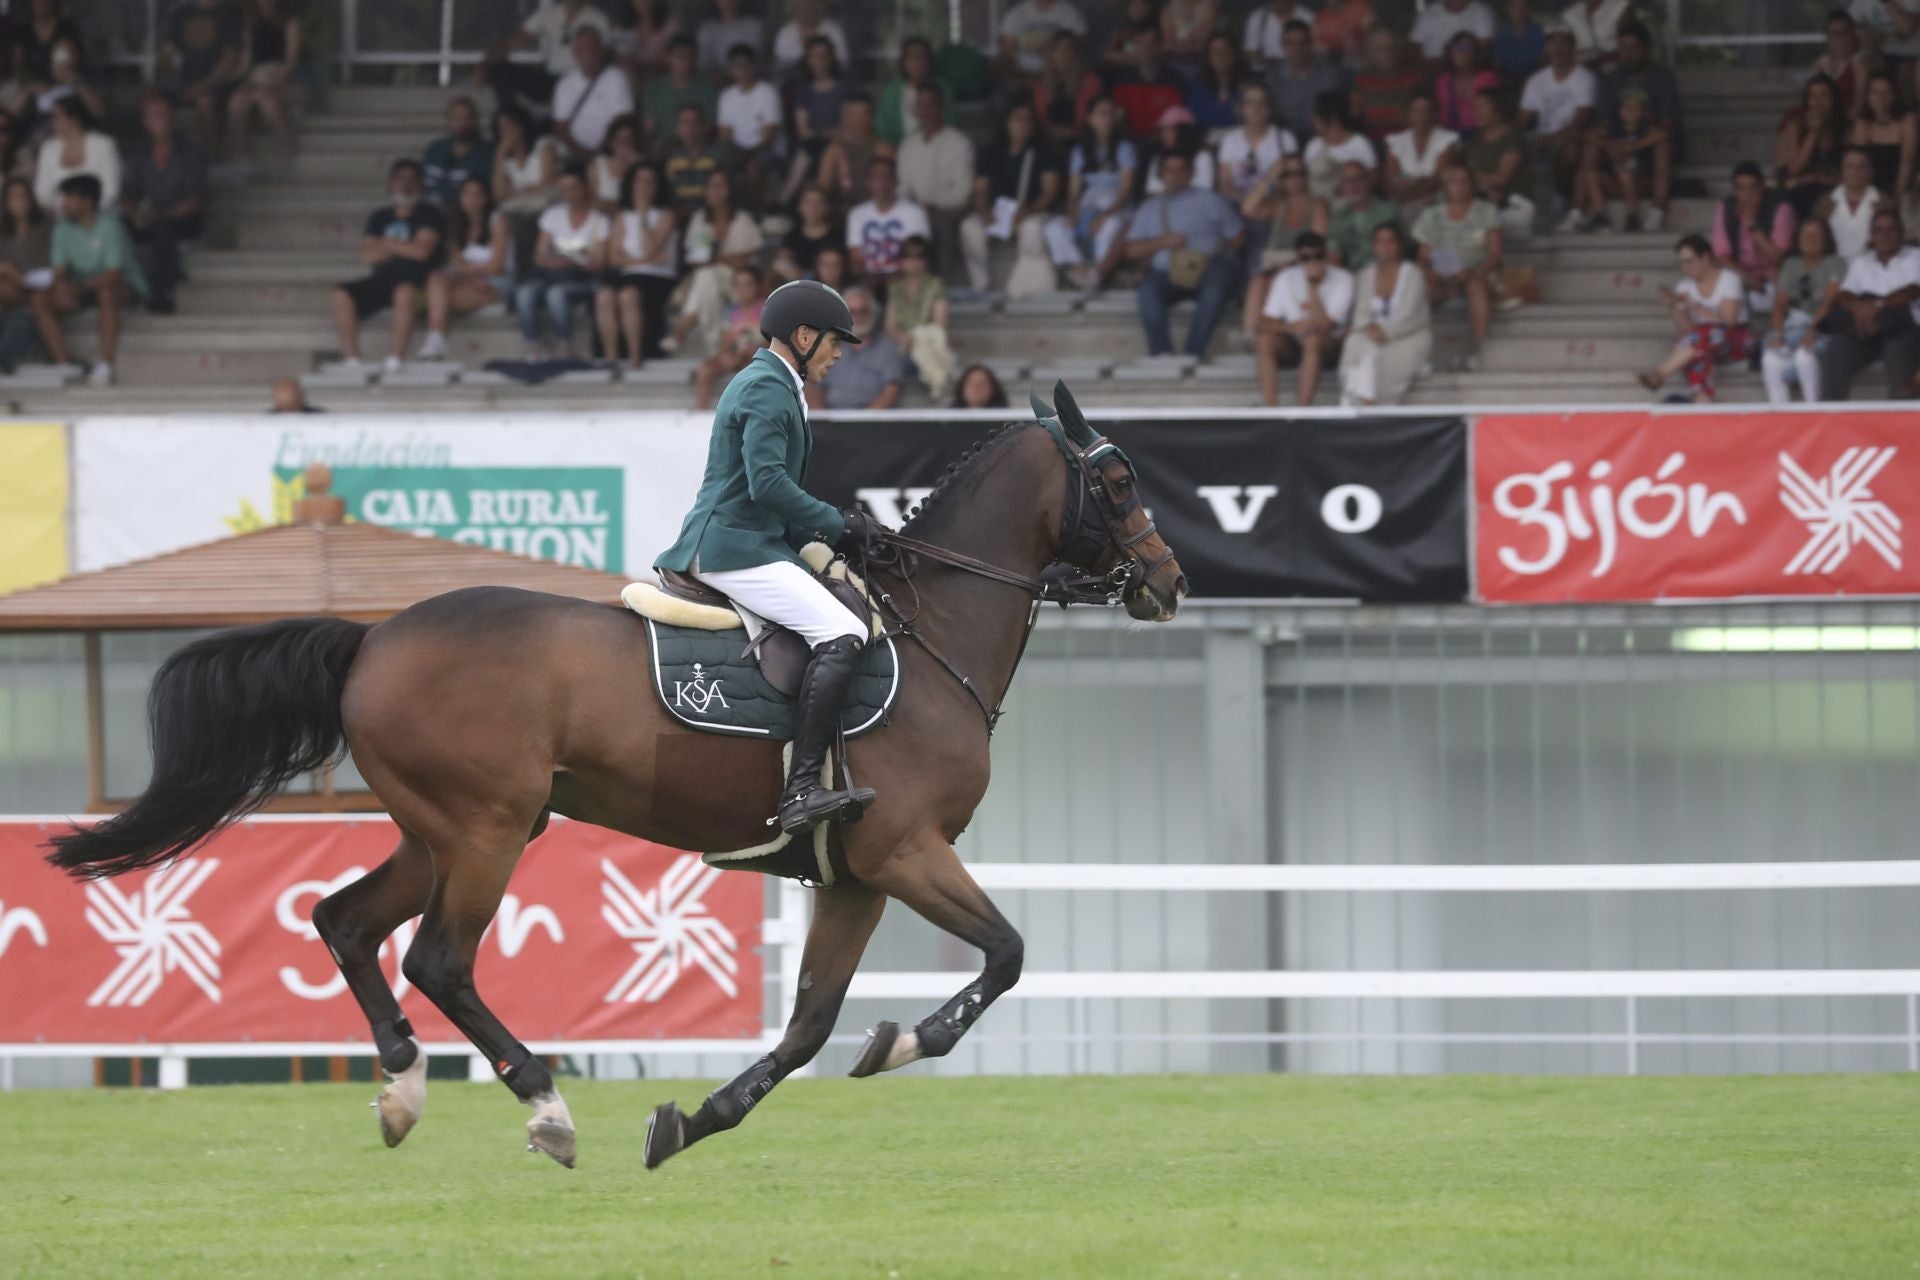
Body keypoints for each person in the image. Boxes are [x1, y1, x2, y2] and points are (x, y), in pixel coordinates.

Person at [654, 278, 880, 834]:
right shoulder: (766, 388)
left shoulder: (774, 383)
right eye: (832, 343)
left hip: (752, 540)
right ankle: (801, 789)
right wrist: (837, 521)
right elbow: (767, 485)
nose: (836, 356)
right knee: (842, 630)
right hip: (734, 546)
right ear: (803, 336)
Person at [1124, 148, 1245, 356]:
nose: (1176, 175)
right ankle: (1161, 354)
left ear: (1190, 173)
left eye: (1181, 170)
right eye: (1169, 170)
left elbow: (1238, 238)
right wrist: (1162, 242)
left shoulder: (1211, 200)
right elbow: (1131, 251)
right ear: (1161, 175)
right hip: (1167, 274)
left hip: (1208, 270)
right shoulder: (1149, 208)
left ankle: (1193, 352)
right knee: (1148, 291)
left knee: (1217, 282)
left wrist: (1213, 251)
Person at [332, 158, 443, 373]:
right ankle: (352, 360)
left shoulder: (429, 214)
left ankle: (395, 358)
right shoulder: (379, 216)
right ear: (391, 183)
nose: (405, 184)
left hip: (416, 282)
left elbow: (421, 252)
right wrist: (405, 245)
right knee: (341, 294)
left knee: (404, 291)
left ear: (420, 185)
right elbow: (368, 256)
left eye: (411, 179)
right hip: (381, 280)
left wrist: (386, 243)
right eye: (400, 178)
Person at [34, 173, 144, 385]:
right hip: (83, 288)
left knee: (106, 291)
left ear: (87, 201)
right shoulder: (62, 228)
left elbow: (114, 274)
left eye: (69, 198)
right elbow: (59, 271)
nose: (63, 203)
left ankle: (106, 364)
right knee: (40, 299)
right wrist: (61, 287)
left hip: (122, 286)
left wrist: (80, 287)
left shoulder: (110, 225)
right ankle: (64, 363)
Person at [961, 102, 1064, 293]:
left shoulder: (1045, 153)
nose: (1024, 124)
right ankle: (981, 286)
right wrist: (985, 213)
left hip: (1033, 213)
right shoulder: (990, 152)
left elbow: (1049, 192)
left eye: (1028, 120)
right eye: (1018, 119)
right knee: (969, 227)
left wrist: (1028, 210)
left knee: (1031, 229)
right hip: (997, 215)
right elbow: (980, 190)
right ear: (1006, 123)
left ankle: (1024, 290)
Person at [121, 93, 208, 317]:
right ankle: (124, 291)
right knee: (116, 226)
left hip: (183, 219)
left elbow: (195, 200)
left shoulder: (190, 151)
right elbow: (127, 196)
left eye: (165, 115)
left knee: (163, 227)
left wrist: (159, 213)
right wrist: (134, 213)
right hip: (148, 217)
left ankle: (163, 292)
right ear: (146, 122)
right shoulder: (138, 154)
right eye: (155, 116)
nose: (162, 120)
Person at [1638, 232, 1748, 402]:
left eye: (1690, 261)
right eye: (1682, 263)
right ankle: (1702, 402)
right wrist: (1674, 306)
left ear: (1705, 258)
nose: (1686, 267)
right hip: (1701, 345)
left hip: (1732, 340)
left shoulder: (1728, 279)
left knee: (1706, 334)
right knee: (1699, 356)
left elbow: (1729, 321)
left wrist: (1695, 307)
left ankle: (1661, 373)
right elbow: (1685, 333)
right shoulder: (1684, 286)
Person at [1822, 206, 1920, 399]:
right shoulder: (1861, 262)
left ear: (1901, 233)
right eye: (1879, 230)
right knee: (1836, 347)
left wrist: (1877, 305)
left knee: (1897, 351)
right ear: (1872, 235)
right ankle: (1831, 415)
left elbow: (1913, 290)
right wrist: (1858, 307)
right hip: (1866, 328)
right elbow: (1845, 294)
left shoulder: (1916, 257)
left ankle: (1898, 424)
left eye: (1891, 229)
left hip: (1903, 331)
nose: (1885, 235)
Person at [592, 159, 679, 369]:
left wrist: (642, 217)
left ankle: (634, 358)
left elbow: (651, 248)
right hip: (629, 273)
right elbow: (614, 257)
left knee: (628, 295)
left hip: (657, 276)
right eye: (639, 182)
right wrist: (642, 259)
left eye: (650, 182)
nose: (644, 187)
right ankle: (611, 357)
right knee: (604, 296)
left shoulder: (666, 215)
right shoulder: (622, 217)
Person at [517, 162, 609, 358]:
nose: (569, 193)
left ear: (584, 188)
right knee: (525, 292)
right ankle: (533, 346)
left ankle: (563, 344)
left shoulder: (599, 220)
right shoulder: (552, 215)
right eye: (564, 189)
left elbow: (598, 261)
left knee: (555, 294)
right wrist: (579, 252)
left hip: (583, 280)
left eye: (573, 188)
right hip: (551, 275)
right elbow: (539, 256)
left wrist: (562, 251)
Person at [1413, 162, 1502, 366]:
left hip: (1478, 273)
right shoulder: (1432, 215)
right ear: (1445, 186)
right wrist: (1431, 271)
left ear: (1471, 184)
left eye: (1464, 181)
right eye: (1453, 182)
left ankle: (1480, 350)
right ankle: (1420, 355)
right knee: (1423, 288)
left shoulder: (1486, 211)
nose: (1460, 186)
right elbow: (1423, 257)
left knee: (1476, 286)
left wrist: (1474, 271)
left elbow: (1495, 254)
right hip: (1444, 274)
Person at [671, 169, 765, 355]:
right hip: (709, 279)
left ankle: (684, 328)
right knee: (707, 280)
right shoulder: (699, 219)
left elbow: (743, 261)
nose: (715, 191)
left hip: (739, 283)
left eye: (719, 186)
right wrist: (723, 260)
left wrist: (715, 260)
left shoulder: (742, 219)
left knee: (707, 277)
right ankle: (715, 348)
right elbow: (696, 260)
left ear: (730, 190)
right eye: (711, 187)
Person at [1051, 94, 1139, 289]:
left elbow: (1125, 191)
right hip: (1087, 210)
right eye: (1101, 114)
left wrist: (1105, 216)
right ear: (1089, 118)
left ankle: (1098, 273)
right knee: (1054, 228)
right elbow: (1073, 192)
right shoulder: (1079, 151)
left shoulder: (1125, 148)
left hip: (1117, 210)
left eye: (1110, 114)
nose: (1106, 119)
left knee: (1111, 225)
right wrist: (1073, 215)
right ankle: (1079, 269)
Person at [419, 176, 511, 362]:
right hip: (467, 281)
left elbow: (496, 266)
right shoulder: (455, 224)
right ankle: (436, 338)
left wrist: (468, 270)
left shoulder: (498, 220)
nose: (472, 200)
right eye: (467, 194)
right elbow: (456, 264)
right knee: (437, 279)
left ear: (486, 198)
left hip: (498, 282)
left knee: (440, 300)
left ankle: (436, 337)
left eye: (477, 195)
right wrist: (473, 271)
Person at [1339, 220, 1432, 404]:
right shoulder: (1365, 275)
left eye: (1391, 241)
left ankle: (1367, 405)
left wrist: (1384, 331)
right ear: (1373, 246)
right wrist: (1369, 329)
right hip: (1372, 337)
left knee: (1379, 364)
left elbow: (1410, 317)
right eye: (1380, 241)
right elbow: (1361, 315)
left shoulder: (1413, 273)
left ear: (1399, 245)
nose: (1385, 247)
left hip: (1408, 338)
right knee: (1354, 343)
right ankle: (1359, 400)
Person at [1257, 229, 1352, 404]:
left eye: (1318, 256)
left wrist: (1312, 286)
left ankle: (1303, 410)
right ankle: (1269, 409)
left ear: (1326, 255)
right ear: (1298, 259)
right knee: (1265, 339)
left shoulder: (1343, 279)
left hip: (1329, 344)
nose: (1312, 262)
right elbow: (1263, 324)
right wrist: (1291, 327)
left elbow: (1325, 326)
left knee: (1313, 339)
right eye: (1306, 258)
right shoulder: (1285, 278)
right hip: (1295, 342)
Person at [480, 0, 610, 124]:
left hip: (580, 81)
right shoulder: (548, 14)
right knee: (502, 70)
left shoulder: (598, 19)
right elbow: (516, 40)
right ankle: (510, 121)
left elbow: (607, 55)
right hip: (551, 80)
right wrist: (485, 64)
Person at [1239, 153, 1328, 333]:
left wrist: (1289, 262)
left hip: (1307, 265)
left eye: (1298, 173)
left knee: (1269, 279)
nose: (1293, 178)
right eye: (1287, 174)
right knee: (1258, 280)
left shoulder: (1317, 206)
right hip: (1277, 268)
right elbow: (1247, 208)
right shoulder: (1278, 206)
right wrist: (1271, 175)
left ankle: (1262, 333)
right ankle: (1250, 334)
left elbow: (1318, 244)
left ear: (1306, 176)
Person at [1762, 216, 1845, 404]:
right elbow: (1779, 305)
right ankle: (1780, 417)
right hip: (1794, 327)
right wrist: (1777, 333)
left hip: (1824, 328)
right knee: (1771, 359)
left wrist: (1812, 330)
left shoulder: (1836, 263)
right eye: (1805, 234)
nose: (1809, 238)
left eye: (1816, 234)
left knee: (1804, 357)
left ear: (1826, 239)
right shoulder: (1791, 264)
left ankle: (1812, 410)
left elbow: (1830, 302)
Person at [896, 84, 975, 283]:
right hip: (915, 210)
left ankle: (941, 284)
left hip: (950, 211)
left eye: (931, 105)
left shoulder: (958, 142)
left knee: (935, 223)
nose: (926, 111)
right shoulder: (908, 145)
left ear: (941, 108)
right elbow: (902, 187)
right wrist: (913, 208)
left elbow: (963, 192)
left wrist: (932, 205)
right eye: (921, 106)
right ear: (915, 111)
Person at [1519, 27, 1594, 213]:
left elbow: (1580, 122)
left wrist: (1547, 140)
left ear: (1573, 47)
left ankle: (1562, 195)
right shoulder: (1536, 80)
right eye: (1552, 43)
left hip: (1570, 135)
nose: (1558, 48)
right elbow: (1522, 118)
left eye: (1563, 42)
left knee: (1571, 149)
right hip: (1541, 135)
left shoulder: (1585, 78)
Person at [1572, 84, 1666, 232]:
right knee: (1592, 175)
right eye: (1626, 108)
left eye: (1635, 108)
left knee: (1625, 173)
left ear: (1643, 111)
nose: (1630, 112)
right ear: (1620, 111)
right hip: (1616, 183)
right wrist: (1609, 145)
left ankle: (1632, 216)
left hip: (1640, 182)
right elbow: (1588, 136)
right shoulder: (1614, 128)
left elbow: (1661, 135)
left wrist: (1634, 146)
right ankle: (1601, 216)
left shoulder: (1646, 128)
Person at [160, 0, 243, 156]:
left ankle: (212, 155)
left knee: (204, 100)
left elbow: (230, 59)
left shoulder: (229, 12)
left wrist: (204, 86)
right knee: (154, 97)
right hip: (184, 79)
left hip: (219, 81)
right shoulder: (180, 10)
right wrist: (168, 70)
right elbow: (167, 50)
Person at [1711, 161, 1795, 314]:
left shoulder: (1780, 207)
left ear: (1762, 188)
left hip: (1774, 272)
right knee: (1724, 280)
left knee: (1781, 281)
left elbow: (1778, 258)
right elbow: (1721, 257)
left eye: (1753, 188)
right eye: (1741, 189)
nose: (1747, 194)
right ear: (1735, 190)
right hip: (1742, 273)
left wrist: (1753, 226)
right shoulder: (1726, 208)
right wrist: (1748, 279)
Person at [225, 0, 302, 160]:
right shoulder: (250, 24)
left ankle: (288, 148)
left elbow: (291, 62)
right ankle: (242, 158)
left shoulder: (290, 22)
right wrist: (234, 77)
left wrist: (273, 79)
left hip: (282, 77)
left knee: (267, 101)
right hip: (256, 77)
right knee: (236, 102)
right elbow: (246, 62)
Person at [811, 284, 908, 409]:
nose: (858, 317)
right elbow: (813, 388)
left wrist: (864, 422)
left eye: (864, 311)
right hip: (831, 421)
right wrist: (822, 423)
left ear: (874, 313)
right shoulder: (826, 348)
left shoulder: (888, 349)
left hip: (872, 423)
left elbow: (891, 391)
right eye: (853, 312)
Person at [1596, 23, 1683, 161]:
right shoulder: (1610, 80)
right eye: (1623, 47)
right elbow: (1603, 125)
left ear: (1646, 50)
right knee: (1591, 149)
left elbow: (1667, 127)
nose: (1628, 53)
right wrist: (1611, 145)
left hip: (1651, 144)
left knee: (1663, 146)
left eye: (1634, 47)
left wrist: (1635, 145)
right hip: (1619, 143)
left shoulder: (1662, 78)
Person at [716, 43, 782, 208]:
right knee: (719, 159)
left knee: (753, 166)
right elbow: (725, 135)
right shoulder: (727, 96)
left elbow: (768, 138)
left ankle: (755, 212)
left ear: (754, 67)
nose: (743, 71)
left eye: (746, 65)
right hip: (737, 150)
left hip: (764, 151)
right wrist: (738, 154)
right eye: (737, 67)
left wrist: (747, 156)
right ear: (731, 70)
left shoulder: (767, 92)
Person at [847, 156, 930, 286]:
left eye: (886, 178)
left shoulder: (914, 213)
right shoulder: (857, 214)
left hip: (904, 280)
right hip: (868, 281)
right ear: (869, 182)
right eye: (876, 178)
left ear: (896, 181)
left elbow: (917, 257)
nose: (882, 184)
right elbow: (856, 259)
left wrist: (891, 278)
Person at [886, 235, 952, 397]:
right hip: (901, 344)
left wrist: (913, 338)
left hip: (927, 340)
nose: (913, 262)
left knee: (930, 340)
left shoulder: (935, 285)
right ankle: (938, 381)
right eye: (908, 256)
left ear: (925, 260)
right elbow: (889, 327)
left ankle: (938, 382)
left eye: (918, 257)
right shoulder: (895, 288)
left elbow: (940, 324)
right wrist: (903, 338)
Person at [552, 27, 633, 160]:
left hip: (610, 155)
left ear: (601, 51)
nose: (587, 54)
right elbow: (561, 128)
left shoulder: (616, 78)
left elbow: (622, 122)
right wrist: (582, 153)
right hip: (574, 155)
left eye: (592, 49)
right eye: (581, 50)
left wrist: (601, 152)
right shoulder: (564, 84)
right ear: (575, 54)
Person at [695, 264, 768, 408]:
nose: (743, 290)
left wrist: (752, 351)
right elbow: (726, 342)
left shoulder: (766, 310)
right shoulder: (731, 311)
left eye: (748, 285)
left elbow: (771, 343)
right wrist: (727, 355)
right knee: (704, 370)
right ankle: (701, 412)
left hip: (758, 359)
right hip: (737, 356)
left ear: (757, 286)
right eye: (738, 285)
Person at [1263, 20, 1348, 142]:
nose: (1297, 48)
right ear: (1284, 46)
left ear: (1311, 43)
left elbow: (1333, 114)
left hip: (1322, 138)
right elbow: (1270, 115)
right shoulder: (1274, 77)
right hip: (1284, 140)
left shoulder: (1328, 72)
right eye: (1291, 43)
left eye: (1302, 42)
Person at [1778, 74, 1848, 220]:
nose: (1818, 102)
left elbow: (1849, 176)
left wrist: (1814, 178)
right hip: (1800, 189)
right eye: (1812, 96)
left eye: (1824, 95)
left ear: (1834, 99)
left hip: (1832, 188)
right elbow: (1794, 168)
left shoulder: (1846, 129)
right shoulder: (1796, 124)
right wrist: (1813, 133)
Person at [1217, 83, 1298, 202]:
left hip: (1273, 205)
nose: (1256, 108)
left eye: (1262, 103)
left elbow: (1291, 183)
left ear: (1270, 108)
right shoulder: (1230, 140)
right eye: (1250, 103)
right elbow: (1225, 185)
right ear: (1242, 108)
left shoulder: (1285, 139)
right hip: (1237, 205)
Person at [34, 97, 117, 213]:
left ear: (74, 118)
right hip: (61, 219)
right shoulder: (48, 149)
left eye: (56, 117)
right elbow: (42, 194)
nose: (52, 122)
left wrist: (87, 212)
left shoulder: (103, 145)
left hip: (101, 216)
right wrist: (67, 211)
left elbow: (111, 191)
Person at [1384, 91, 1461, 209]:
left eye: (1425, 111)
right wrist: (1405, 190)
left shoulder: (1447, 139)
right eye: (1415, 111)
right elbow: (1391, 176)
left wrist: (1412, 188)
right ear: (1408, 114)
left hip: (1434, 199)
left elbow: (1438, 178)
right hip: (1403, 199)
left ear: (1434, 114)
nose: (1420, 116)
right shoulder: (1397, 140)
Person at [1114, 22, 1191, 140]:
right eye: (1141, 44)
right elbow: (1117, 121)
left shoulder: (1175, 79)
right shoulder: (1122, 80)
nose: (1146, 49)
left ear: (1159, 46)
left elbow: (1181, 119)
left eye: (1151, 44)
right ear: (1134, 46)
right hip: (1133, 144)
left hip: (1166, 143)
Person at [641, 36, 716, 154]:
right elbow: (649, 127)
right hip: (664, 148)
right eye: (679, 56)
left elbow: (709, 128)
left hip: (698, 147)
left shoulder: (707, 88)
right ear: (668, 58)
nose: (684, 62)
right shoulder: (655, 88)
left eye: (689, 57)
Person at [1849, 71, 1914, 206]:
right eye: (1875, 92)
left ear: (1895, 95)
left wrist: (1897, 196)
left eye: (1886, 92)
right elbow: (1859, 162)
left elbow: (1907, 160)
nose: (1881, 98)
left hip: (1904, 185)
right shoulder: (1862, 123)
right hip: (1872, 187)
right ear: (1868, 96)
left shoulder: (1907, 119)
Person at [815, 96, 887, 212]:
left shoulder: (882, 149)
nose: (848, 120)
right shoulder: (834, 150)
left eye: (854, 115)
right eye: (846, 114)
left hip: (875, 210)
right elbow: (823, 189)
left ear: (869, 118)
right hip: (842, 212)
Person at [1304, 90, 1377, 199]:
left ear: (1333, 117)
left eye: (1317, 114)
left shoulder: (1360, 143)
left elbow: (1373, 179)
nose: (1313, 118)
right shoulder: (1313, 145)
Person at [423, 95, 492, 209]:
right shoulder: (435, 149)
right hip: (431, 212)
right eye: (456, 118)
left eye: (467, 118)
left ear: (475, 121)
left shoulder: (486, 152)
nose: (462, 123)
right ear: (448, 120)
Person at [1328, 158, 1400, 266]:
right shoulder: (1339, 216)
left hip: (1383, 272)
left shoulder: (1388, 212)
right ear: (1342, 186)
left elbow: (1401, 251)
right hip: (1349, 275)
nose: (1353, 186)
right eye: (1347, 181)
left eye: (1358, 179)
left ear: (1368, 181)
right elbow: (1333, 252)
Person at [1349, 28, 1420, 138]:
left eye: (1391, 48)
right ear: (1370, 53)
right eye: (1380, 50)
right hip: (1372, 140)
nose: (1387, 54)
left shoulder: (1411, 78)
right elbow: (1355, 113)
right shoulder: (1361, 80)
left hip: (1405, 140)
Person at [1037, 32, 1105, 144]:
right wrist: (1049, 131)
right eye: (1056, 49)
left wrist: (1073, 133)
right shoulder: (1042, 84)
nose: (1062, 54)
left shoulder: (1090, 81)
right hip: (1048, 142)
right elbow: (1040, 120)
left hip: (1083, 141)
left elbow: (1094, 118)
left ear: (1076, 54)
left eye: (1067, 49)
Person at [492, 104, 558, 220]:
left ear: (521, 126)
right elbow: (500, 195)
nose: (507, 133)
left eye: (511, 126)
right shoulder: (506, 161)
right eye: (502, 129)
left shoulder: (543, 146)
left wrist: (516, 193)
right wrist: (500, 155)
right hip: (518, 211)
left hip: (545, 206)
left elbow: (548, 184)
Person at [1820, 146, 1885, 260]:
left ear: (1871, 172)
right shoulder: (1825, 202)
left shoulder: (1883, 202)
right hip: (1833, 269)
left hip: (1870, 268)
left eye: (1861, 167)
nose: (1855, 172)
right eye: (1849, 166)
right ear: (1841, 171)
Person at [1000, 0, 1091, 79]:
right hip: (1024, 74)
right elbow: (1007, 52)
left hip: (1059, 75)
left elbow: (1079, 46)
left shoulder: (1069, 13)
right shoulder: (1016, 14)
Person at [662, 104, 724, 213]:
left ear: (704, 127)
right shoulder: (668, 158)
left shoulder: (716, 157)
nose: (690, 128)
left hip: (708, 216)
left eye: (695, 123)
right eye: (685, 123)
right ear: (677, 128)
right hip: (677, 216)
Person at [1435, 32, 1498, 135]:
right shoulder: (1442, 81)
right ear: (1450, 53)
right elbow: (1439, 116)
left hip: (1482, 135)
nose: (1462, 53)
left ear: (1476, 54)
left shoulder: (1488, 78)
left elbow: (1492, 115)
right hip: (1449, 136)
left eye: (1468, 49)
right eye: (1458, 49)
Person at [773, 183, 838, 282]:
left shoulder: (837, 235)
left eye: (818, 202)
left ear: (826, 207)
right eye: (808, 202)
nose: (813, 207)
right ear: (800, 206)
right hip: (801, 285)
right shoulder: (793, 235)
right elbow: (781, 262)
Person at [1812, 10, 1875, 112]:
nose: (1839, 38)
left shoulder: (1860, 62)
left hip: (1853, 118)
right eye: (1834, 33)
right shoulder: (1820, 64)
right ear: (1828, 36)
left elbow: (1859, 105)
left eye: (1844, 32)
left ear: (1852, 34)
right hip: (1827, 117)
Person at [1189, 35, 1247, 132]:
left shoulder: (1248, 88)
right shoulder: (1198, 89)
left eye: (1226, 51)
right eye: (1215, 52)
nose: (1221, 56)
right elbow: (1196, 122)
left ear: (1234, 55)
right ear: (1208, 57)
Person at [1414, 0, 1498, 67]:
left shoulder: (1482, 12)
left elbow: (1483, 49)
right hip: (1430, 67)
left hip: (1465, 66)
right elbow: (1414, 45)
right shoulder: (1429, 12)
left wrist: (1450, 62)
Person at [771, 0, 848, 74]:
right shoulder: (785, 33)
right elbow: (780, 65)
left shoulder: (833, 31)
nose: (804, 11)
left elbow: (842, 62)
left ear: (817, 7)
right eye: (798, 8)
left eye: (808, 7)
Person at [695, 0, 763, 77]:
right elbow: (704, 65)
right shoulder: (707, 30)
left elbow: (759, 60)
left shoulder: (754, 26)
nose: (728, 1)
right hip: (717, 82)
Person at [589, 113, 642, 210]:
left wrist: (634, 166)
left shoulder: (642, 165)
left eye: (628, 140)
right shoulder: (598, 165)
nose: (624, 145)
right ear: (611, 142)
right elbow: (592, 200)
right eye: (620, 140)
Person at [1244, 0, 1318, 67]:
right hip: (1264, 72)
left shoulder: (1309, 17)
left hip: (1300, 72)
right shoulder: (1257, 17)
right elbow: (1249, 52)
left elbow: (1316, 51)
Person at [1561, 0, 1634, 65]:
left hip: (1612, 67)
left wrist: (1602, 58)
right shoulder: (1570, 14)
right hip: (1581, 69)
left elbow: (1630, 44)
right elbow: (1564, 49)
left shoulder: (1620, 6)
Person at [1491, 0, 1547, 81]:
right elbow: (1498, 64)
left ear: (1529, 10)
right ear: (1508, 10)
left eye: (1523, 7)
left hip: (1532, 78)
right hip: (1507, 79)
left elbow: (1541, 63)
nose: (1519, 11)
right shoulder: (1501, 34)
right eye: (1514, 7)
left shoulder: (1538, 33)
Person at [1162, 0, 1221, 74]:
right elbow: (1168, 41)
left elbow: (1204, 40)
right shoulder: (1169, 8)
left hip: (1199, 59)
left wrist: (1184, 46)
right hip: (1173, 58)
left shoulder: (1209, 6)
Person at [1314, 0, 1376, 64]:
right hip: (1341, 63)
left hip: (1368, 55)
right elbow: (1320, 48)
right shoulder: (1321, 21)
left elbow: (1374, 32)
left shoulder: (1359, 5)